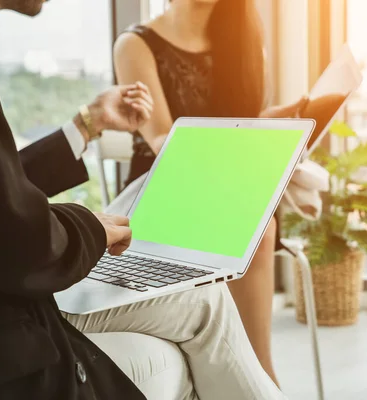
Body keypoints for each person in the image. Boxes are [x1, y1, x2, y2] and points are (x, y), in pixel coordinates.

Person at [0, 1, 286, 399]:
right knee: (206, 305)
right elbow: (2, 225)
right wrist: (87, 228)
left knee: (206, 302)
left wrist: (86, 124)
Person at [112, 0, 307, 385]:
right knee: (258, 224)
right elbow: (162, 142)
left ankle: (258, 374)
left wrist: (275, 123)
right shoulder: (135, 44)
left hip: (225, 183)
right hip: (162, 187)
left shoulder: (243, 40)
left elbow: (239, 121)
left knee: (257, 219)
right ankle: (263, 378)